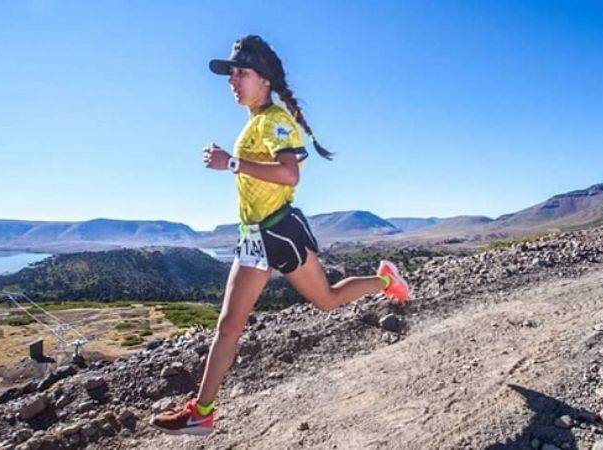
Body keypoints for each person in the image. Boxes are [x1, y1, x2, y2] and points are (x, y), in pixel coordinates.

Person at [149, 35, 409, 436]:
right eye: (230, 74)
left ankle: (385, 279)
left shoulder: (275, 121)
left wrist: (231, 162)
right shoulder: (255, 122)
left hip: (280, 231)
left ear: (264, 79)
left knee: (326, 300)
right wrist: (234, 162)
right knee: (229, 323)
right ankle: (202, 412)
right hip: (253, 237)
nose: (232, 81)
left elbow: (290, 174)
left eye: (241, 73)